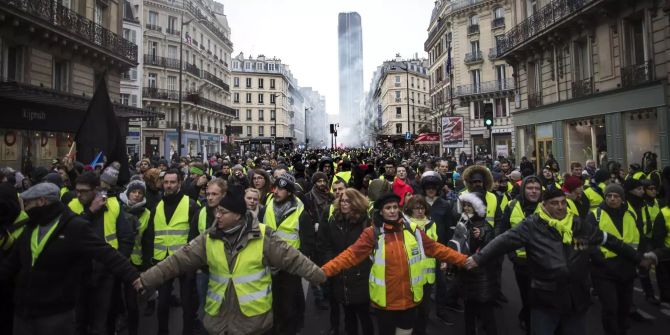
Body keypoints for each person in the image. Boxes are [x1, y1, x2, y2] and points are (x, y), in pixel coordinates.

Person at [133, 192, 327, 335]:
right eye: (217, 211)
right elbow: (176, 261)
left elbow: (292, 259)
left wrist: (321, 276)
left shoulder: (262, 236)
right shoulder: (209, 238)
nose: (217, 216)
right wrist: (146, 279)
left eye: (223, 212)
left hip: (253, 323)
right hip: (219, 322)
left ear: (238, 216)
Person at [466, 187, 651, 335]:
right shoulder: (532, 225)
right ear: (544, 205)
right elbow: (503, 241)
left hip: (576, 297)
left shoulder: (578, 224)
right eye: (554, 203)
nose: (561, 207)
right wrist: (478, 259)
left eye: (563, 203)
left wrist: (638, 258)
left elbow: (610, 241)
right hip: (545, 298)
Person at [0, 183, 139, 335]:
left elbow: (107, 254)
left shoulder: (73, 227)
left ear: (42, 202)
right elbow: (10, 265)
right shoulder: (29, 228)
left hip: (55, 314)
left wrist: (136, 278)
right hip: (24, 314)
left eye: (28, 204)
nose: (25, 208)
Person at [321, 193, 469, 335]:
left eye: (394, 207)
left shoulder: (412, 230)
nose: (392, 211)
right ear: (381, 211)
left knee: (405, 332)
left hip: (410, 300)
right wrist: (324, 271)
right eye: (388, 208)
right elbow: (350, 256)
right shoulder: (372, 233)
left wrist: (463, 260)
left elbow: (436, 248)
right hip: (386, 303)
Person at [67, 171, 134, 335]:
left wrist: (117, 265)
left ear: (96, 190)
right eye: (77, 190)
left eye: (84, 191)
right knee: (79, 320)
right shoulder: (72, 206)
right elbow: (70, 234)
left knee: (102, 320)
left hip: (106, 273)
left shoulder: (113, 205)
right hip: (79, 273)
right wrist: (90, 211)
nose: (79, 195)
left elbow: (126, 238)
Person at [142, 168, 200, 335]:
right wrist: (150, 261)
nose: (168, 185)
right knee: (163, 303)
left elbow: (196, 235)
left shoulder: (190, 205)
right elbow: (150, 235)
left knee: (187, 303)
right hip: (163, 260)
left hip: (185, 260)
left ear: (179, 183)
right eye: (166, 182)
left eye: (172, 182)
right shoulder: (157, 206)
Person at [588, 183, 647, 335]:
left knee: (624, 307)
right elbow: (586, 242)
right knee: (610, 307)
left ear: (622, 198)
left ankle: (622, 330)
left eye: (616, 196)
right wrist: (599, 259)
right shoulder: (595, 215)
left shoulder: (631, 214)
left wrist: (638, 259)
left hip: (626, 269)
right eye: (609, 196)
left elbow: (639, 238)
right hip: (604, 271)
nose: (612, 199)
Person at [262, 173, 316, 334]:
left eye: (281, 189)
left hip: (289, 265)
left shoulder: (301, 214)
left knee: (289, 302)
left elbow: (307, 242)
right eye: (276, 188)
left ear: (290, 193)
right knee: (272, 301)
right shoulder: (266, 208)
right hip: (269, 264)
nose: (276, 191)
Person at [318, 188, 373, 335]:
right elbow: (328, 244)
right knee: (348, 314)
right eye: (342, 201)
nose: (344, 204)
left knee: (364, 315)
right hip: (340, 273)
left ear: (355, 202)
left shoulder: (365, 222)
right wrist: (331, 262)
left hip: (360, 272)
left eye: (348, 201)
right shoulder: (334, 220)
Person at [498, 175, 543, 332]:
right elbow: (503, 232)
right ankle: (527, 318)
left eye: (537, 188)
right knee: (526, 295)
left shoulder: (547, 206)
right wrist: (512, 255)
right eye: (530, 188)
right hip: (521, 263)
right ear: (523, 189)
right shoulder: (511, 206)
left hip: (544, 262)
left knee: (539, 297)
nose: (533, 191)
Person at [450, 192, 497, 335]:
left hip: (482, 277)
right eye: (464, 205)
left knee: (486, 313)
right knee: (469, 312)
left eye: (469, 205)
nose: (466, 208)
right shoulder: (462, 222)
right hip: (465, 273)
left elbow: (492, 247)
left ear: (477, 207)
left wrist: (482, 235)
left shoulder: (485, 225)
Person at [118, 180, 151, 335]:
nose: (137, 195)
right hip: (117, 260)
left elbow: (147, 240)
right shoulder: (117, 208)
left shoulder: (147, 213)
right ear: (128, 192)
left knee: (132, 303)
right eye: (134, 192)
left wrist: (146, 264)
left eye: (140, 193)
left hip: (135, 263)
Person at [404, 195, 438, 335]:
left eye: (422, 208)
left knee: (425, 310)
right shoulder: (405, 226)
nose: (420, 211)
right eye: (416, 208)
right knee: (411, 310)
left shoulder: (431, 224)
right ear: (410, 210)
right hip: (411, 275)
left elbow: (435, 244)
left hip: (428, 275)